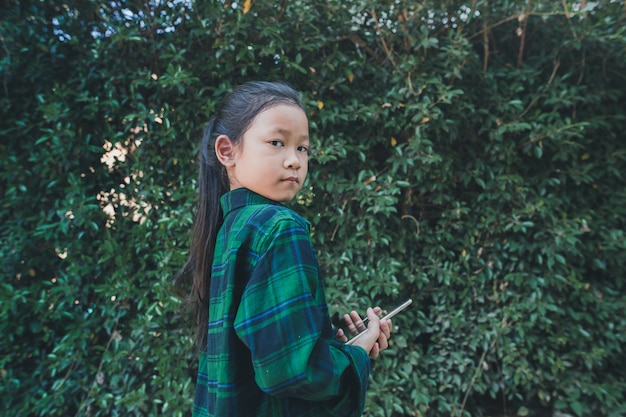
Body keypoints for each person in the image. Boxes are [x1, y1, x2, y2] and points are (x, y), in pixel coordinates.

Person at [175, 81, 392, 417]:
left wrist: (327, 345)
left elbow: (269, 352)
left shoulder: (230, 229)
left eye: (302, 148)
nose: (294, 160)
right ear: (227, 151)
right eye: (277, 143)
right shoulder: (278, 227)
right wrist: (357, 354)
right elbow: (291, 371)